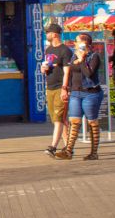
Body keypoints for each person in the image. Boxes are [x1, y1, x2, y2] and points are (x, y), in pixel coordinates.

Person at [55, 33, 103, 161]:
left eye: (77, 42)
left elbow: (88, 73)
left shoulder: (94, 57)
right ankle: (68, 151)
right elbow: (70, 72)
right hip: (76, 92)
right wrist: (66, 89)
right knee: (74, 121)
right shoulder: (74, 56)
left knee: (92, 122)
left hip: (90, 93)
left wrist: (82, 60)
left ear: (85, 44)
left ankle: (94, 152)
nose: (74, 44)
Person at [41, 22, 73, 157]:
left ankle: (53, 147)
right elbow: (46, 67)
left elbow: (67, 72)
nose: (46, 34)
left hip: (60, 87)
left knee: (59, 119)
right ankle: (68, 149)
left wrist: (65, 88)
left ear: (54, 34)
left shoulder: (65, 50)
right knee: (59, 119)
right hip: (50, 87)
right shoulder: (48, 50)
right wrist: (44, 69)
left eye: (48, 32)